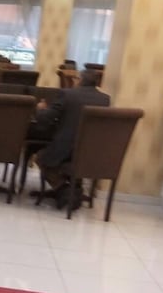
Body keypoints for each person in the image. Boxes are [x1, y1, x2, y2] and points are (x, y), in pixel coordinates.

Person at [31, 68, 109, 209]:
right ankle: (75, 190)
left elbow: (45, 118)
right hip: (91, 153)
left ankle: (63, 189)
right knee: (69, 161)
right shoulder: (105, 99)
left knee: (41, 158)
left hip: (66, 149)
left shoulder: (67, 94)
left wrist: (40, 108)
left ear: (80, 80)